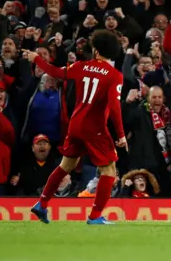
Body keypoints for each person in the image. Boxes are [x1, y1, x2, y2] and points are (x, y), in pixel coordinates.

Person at [22, 30, 126, 225]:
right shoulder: (114, 76)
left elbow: (55, 72)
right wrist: (121, 134)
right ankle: (95, 217)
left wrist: (37, 58)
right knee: (109, 170)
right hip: (94, 127)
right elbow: (114, 107)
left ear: (95, 50)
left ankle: (42, 204)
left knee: (66, 165)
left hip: (75, 124)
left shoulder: (81, 66)